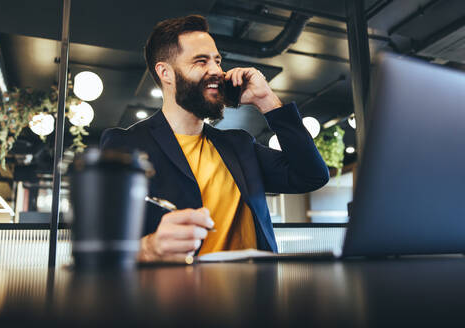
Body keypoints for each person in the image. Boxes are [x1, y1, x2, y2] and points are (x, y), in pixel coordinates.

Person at [100, 15, 329, 262]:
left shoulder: (240, 145)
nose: (217, 71)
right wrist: (149, 247)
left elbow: (311, 175)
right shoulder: (125, 145)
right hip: (180, 296)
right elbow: (103, 244)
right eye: (201, 61)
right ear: (165, 72)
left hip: (259, 295)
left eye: (217, 61)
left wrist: (267, 101)